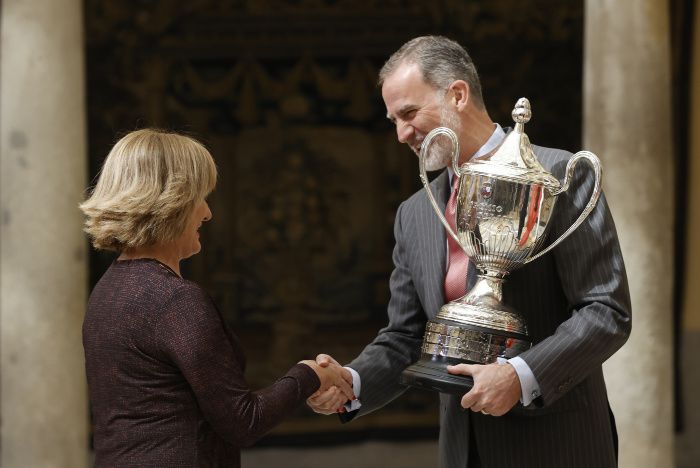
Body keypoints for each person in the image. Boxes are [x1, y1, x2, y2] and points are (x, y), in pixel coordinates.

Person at [307, 35, 631, 468]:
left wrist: (519, 377)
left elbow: (606, 310)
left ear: (457, 95)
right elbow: (408, 336)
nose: (402, 134)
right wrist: (351, 381)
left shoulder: (558, 176)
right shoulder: (415, 212)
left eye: (409, 113)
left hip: (559, 445)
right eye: (393, 121)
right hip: (463, 452)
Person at [80, 128, 354, 467]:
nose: (207, 213)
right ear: (171, 202)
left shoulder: (106, 291)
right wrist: (310, 373)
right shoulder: (175, 301)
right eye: (199, 197)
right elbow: (243, 421)